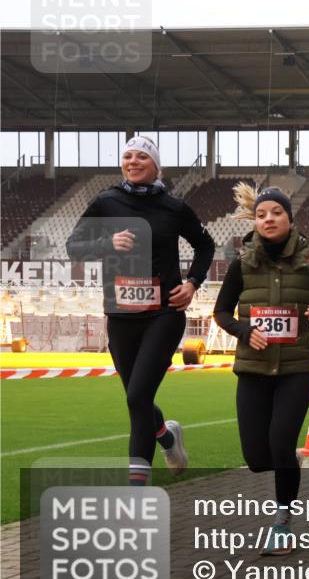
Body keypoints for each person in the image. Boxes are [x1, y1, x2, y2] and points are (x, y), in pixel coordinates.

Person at [66, 135, 215, 486]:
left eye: (142, 157)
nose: (133, 161)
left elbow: (205, 245)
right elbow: (74, 247)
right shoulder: (105, 202)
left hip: (164, 313)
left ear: (156, 166)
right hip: (120, 316)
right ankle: (166, 435)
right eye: (127, 156)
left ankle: (136, 490)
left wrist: (192, 283)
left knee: (137, 396)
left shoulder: (174, 207)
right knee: (137, 395)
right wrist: (107, 242)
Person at [213, 184, 309, 555]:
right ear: (255, 221)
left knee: (280, 444)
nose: (269, 219)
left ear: (290, 218)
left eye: (276, 212)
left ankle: (282, 524)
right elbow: (221, 312)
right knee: (258, 459)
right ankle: (288, 462)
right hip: (253, 369)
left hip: (295, 369)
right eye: (261, 214)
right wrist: (244, 330)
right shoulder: (242, 263)